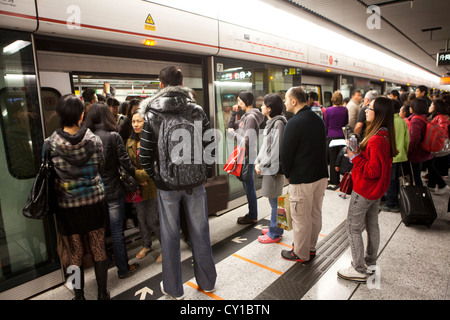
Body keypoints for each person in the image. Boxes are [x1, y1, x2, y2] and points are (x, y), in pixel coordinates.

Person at [139, 66, 216, 299]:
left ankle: (173, 288)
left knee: (170, 236)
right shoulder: (197, 110)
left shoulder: (151, 113)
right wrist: (201, 175)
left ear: (161, 85)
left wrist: (159, 177)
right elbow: (210, 149)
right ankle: (207, 283)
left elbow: (144, 157)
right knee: (200, 232)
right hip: (195, 185)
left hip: (166, 188)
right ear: (182, 84)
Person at [45, 94, 109, 300]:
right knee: (98, 248)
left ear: (60, 116)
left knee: (75, 252)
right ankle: (102, 293)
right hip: (93, 203)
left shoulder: (50, 144)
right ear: (82, 115)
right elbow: (101, 165)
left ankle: (79, 296)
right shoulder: (94, 140)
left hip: (67, 206)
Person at [337, 97, 398, 282]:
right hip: (376, 190)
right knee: (372, 224)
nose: (366, 111)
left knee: (352, 227)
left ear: (379, 113)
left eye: (370, 108)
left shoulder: (376, 140)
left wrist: (355, 157)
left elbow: (372, 170)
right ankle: (370, 263)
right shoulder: (384, 134)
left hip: (365, 189)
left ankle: (358, 268)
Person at [84, 103, 140, 279]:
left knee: (99, 232)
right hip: (114, 190)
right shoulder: (113, 136)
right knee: (117, 232)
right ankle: (123, 268)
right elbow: (125, 163)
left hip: (94, 192)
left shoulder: (84, 137)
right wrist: (137, 176)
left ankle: (105, 260)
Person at [280, 86, 328, 263]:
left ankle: (300, 253)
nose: (285, 102)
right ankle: (311, 248)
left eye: (286, 98)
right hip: (320, 175)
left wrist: (288, 174)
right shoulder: (317, 119)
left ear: (294, 101)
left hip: (302, 177)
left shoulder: (294, 122)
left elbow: (286, 153)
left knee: (300, 216)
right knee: (315, 213)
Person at [126, 110, 162, 261]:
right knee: (141, 218)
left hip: (152, 185)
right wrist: (137, 178)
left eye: (139, 121)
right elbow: (126, 164)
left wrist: (139, 175)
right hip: (137, 187)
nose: (135, 124)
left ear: (146, 123)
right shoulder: (129, 142)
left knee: (153, 219)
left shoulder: (153, 141)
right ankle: (146, 244)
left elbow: (155, 164)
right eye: (133, 121)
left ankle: (165, 247)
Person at [228, 90, 264, 224]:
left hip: (248, 156)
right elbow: (231, 126)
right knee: (247, 185)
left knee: (249, 187)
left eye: (239, 101)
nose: (238, 103)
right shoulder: (245, 116)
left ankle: (253, 215)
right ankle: (252, 213)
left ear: (246, 101)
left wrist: (233, 135)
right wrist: (233, 113)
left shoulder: (250, 117)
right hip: (244, 155)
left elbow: (247, 140)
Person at [254, 93, 287, 243]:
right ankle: (276, 227)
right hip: (268, 166)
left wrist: (262, 164)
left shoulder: (279, 123)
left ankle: (274, 233)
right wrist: (258, 161)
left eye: (263, 104)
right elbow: (264, 146)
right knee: (274, 200)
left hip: (273, 169)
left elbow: (275, 150)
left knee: (275, 201)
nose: (261, 106)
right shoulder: (271, 122)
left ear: (269, 108)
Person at [407, 98, 447, 192]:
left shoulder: (416, 120)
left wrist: (408, 150)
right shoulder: (423, 117)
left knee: (416, 176)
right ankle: (432, 186)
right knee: (424, 170)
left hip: (417, 152)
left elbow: (414, 138)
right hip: (424, 150)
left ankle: (420, 196)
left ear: (413, 108)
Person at [380, 99, 409, 212]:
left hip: (390, 156)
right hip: (400, 155)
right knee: (395, 179)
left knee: (390, 180)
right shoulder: (402, 122)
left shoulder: (387, 122)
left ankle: (391, 203)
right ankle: (394, 199)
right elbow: (407, 140)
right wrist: (405, 153)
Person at [324, 91, 348, 190]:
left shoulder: (328, 110)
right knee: (340, 159)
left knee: (333, 160)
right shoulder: (345, 110)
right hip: (342, 137)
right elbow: (346, 122)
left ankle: (334, 180)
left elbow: (326, 123)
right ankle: (342, 180)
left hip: (332, 137)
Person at [426, 99, 450, 191]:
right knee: (433, 164)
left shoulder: (441, 117)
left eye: (431, 105)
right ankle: (431, 185)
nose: (429, 107)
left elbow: (441, 132)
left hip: (438, 145)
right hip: (437, 145)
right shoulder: (437, 116)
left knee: (431, 164)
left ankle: (442, 185)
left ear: (436, 107)